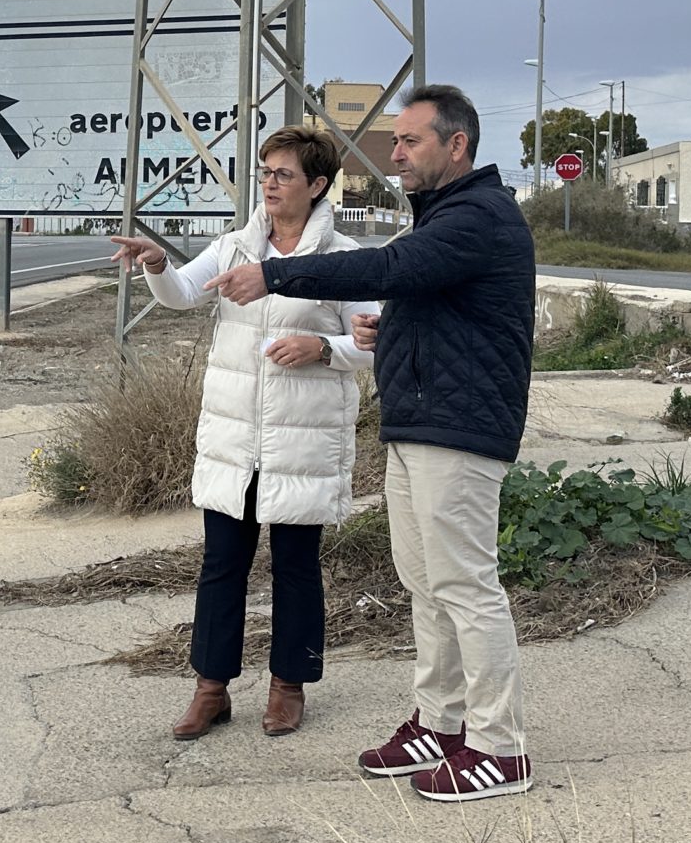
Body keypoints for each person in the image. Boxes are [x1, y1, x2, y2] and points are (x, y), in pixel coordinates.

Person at [207, 84, 538, 801]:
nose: (395, 155)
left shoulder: (477, 215)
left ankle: (498, 745)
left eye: (410, 140)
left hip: (460, 430)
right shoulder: (444, 217)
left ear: (457, 144)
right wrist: (388, 336)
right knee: (425, 584)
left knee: (467, 587)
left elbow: (383, 270)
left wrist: (274, 273)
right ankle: (441, 722)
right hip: (422, 422)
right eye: (395, 141)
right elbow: (443, 309)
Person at [109, 127, 370, 741]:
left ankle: (288, 686)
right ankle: (211, 688)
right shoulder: (232, 248)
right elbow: (179, 295)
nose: (271, 182)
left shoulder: (342, 258)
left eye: (284, 173)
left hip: (302, 441)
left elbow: (372, 341)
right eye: (265, 171)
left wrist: (321, 348)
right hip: (233, 439)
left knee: (296, 568)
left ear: (318, 185)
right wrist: (156, 263)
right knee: (222, 564)